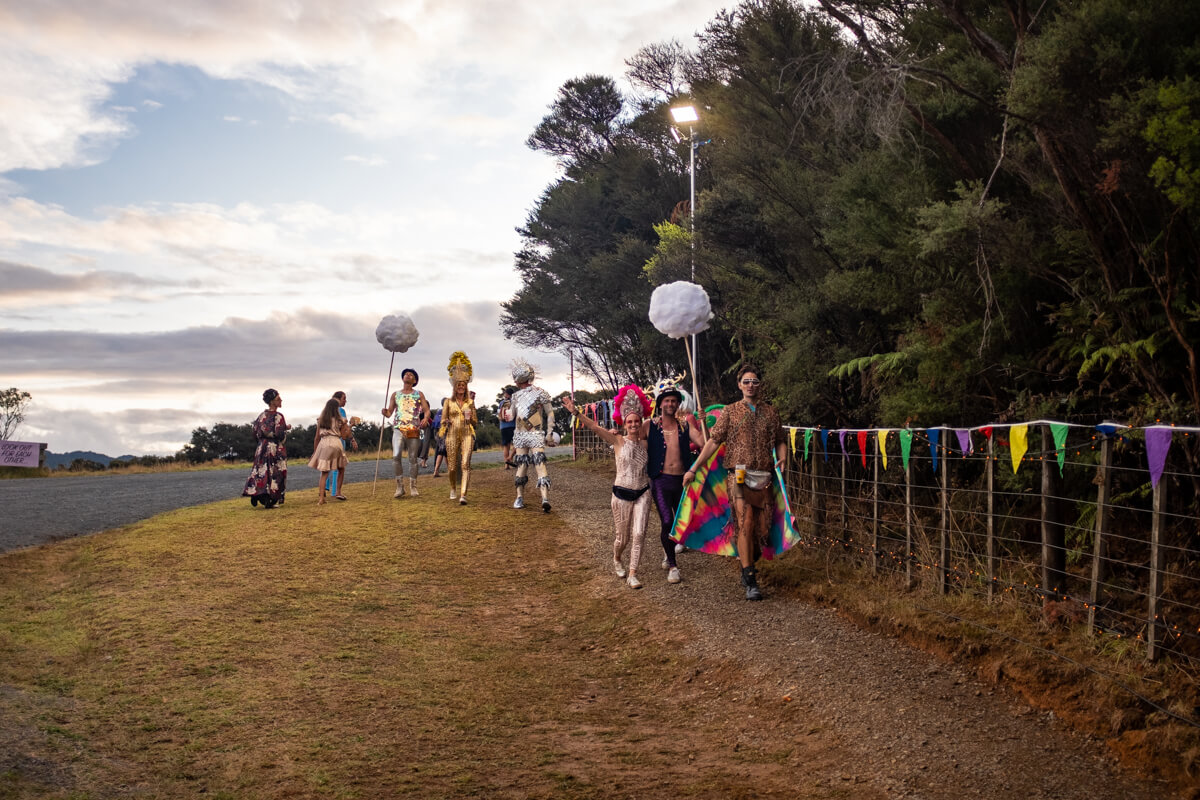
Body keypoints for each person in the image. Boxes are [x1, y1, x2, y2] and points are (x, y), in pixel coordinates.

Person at [683, 365, 788, 601]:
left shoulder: (771, 413)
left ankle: (747, 561)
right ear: (739, 385)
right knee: (745, 523)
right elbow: (712, 443)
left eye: (755, 381)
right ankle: (750, 577)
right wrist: (693, 468)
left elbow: (781, 439)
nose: (751, 385)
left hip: (765, 476)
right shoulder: (730, 412)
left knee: (762, 531)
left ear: (760, 385)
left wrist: (783, 456)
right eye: (747, 381)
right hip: (738, 476)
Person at [563, 385, 653, 589]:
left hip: (643, 492)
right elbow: (595, 427)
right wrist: (576, 413)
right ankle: (617, 558)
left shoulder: (646, 444)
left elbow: (664, 428)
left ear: (641, 423)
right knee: (622, 538)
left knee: (639, 533)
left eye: (637, 421)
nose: (633, 424)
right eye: (630, 421)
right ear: (624, 423)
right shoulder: (618, 440)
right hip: (621, 493)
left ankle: (633, 573)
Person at [644, 380, 706, 584]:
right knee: (667, 521)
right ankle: (673, 565)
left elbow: (704, 444)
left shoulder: (685, 426)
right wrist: (617, 435)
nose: (670, 404)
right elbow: (631, 439)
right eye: (667, 401)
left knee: (682, 522)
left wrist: (704, 424)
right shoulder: (650, 426)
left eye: (674, 401)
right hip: (660, 481)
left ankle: (667, 549)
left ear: (678, 404)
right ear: (660, 403)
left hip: (683, 481)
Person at [510, 359, 555, 512]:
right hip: (525, 434)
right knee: (537, 464)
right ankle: (541, 498)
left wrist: (549, 432)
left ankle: (524, 498)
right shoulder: (516, 396)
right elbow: (511, 416)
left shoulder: (538, 393)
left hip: (530, 434)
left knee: (527, 465)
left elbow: (549, 413)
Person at [381, 368, 430, 499]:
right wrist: (385, 412)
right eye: (406, 374)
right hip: (398, 428)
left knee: (413, 458)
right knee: (396, 456)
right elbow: (390, 413)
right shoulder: (395, 394)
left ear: (415, 380)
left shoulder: (419, 394)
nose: (408, 376)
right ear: (403, 378)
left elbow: (426, 410)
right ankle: (399, 486)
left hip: (413, 429)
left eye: (411, 375)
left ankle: (413, 486)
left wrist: (425, 418)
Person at [242, 388, 290, 508]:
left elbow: (254, 433)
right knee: (275, 472)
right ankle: (270, 499)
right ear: (273, 401)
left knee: (260, 471)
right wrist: (285, 428)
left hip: (261, 447)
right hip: (274, 448)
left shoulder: (261, 416)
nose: (281, 400)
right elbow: (279, 434)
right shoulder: (278, 416)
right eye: (278, 399)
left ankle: (257, 493)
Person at [438, 352, 476, 505]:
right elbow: (442, 421)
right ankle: (453, 487)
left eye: (463, 385)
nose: (461, 387)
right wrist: (446, 422)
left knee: (466, 464)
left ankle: (463, 495)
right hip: (452, 434)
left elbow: (475, 422)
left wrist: (470, 418)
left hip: (467, 434)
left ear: (466, 386)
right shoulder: (448, 401)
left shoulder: (470, 402)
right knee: (453, 467)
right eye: (458, 385)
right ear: (454, 386)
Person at [309, 398, 350, 504]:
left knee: (324, 472)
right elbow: (344, 436)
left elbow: (317, 437)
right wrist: (350, 426)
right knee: (341, 468)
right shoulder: (340, 420)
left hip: (324, 444)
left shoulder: (321, 420)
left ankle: (321, 499)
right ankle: (338, 492)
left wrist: (315, 452)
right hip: (336, 442)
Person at [323, 391, 359, 500]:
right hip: (338, 442)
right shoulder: (341, 411)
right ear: (338, 399)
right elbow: (343, 429)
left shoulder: (325, 411)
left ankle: (322, 491)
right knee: (338, 468)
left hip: (326, 442)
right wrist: (352, 427)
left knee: (326, 467)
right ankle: (336, 492)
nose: (345, 401)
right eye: (344, 398)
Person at [498, 388, 516, 469]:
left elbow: (498, 414)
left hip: (503, 427)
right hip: (512, 426)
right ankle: (511, 457)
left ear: (506, 394)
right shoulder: (514, 402)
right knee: (517, 444)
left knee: (506, 446)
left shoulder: (501, 403)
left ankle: (506, 465)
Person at [429, 400, 447, 478]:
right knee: (442, 451)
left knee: (445, 452)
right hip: (440, 433)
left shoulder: (440, 412)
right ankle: (436, 471)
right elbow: (440, 423)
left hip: (438, 433)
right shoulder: (442, 412)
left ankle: (450, 470)